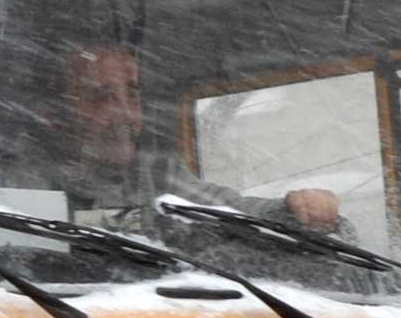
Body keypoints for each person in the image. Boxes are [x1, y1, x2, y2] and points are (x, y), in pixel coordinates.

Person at [54, 40, 342, 237]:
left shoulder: (158, 175)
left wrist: (292, 210)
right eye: (101, 97)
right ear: (55, 114)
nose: (126, 115)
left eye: (132, 94)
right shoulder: (17, 186)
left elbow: (228, 211)